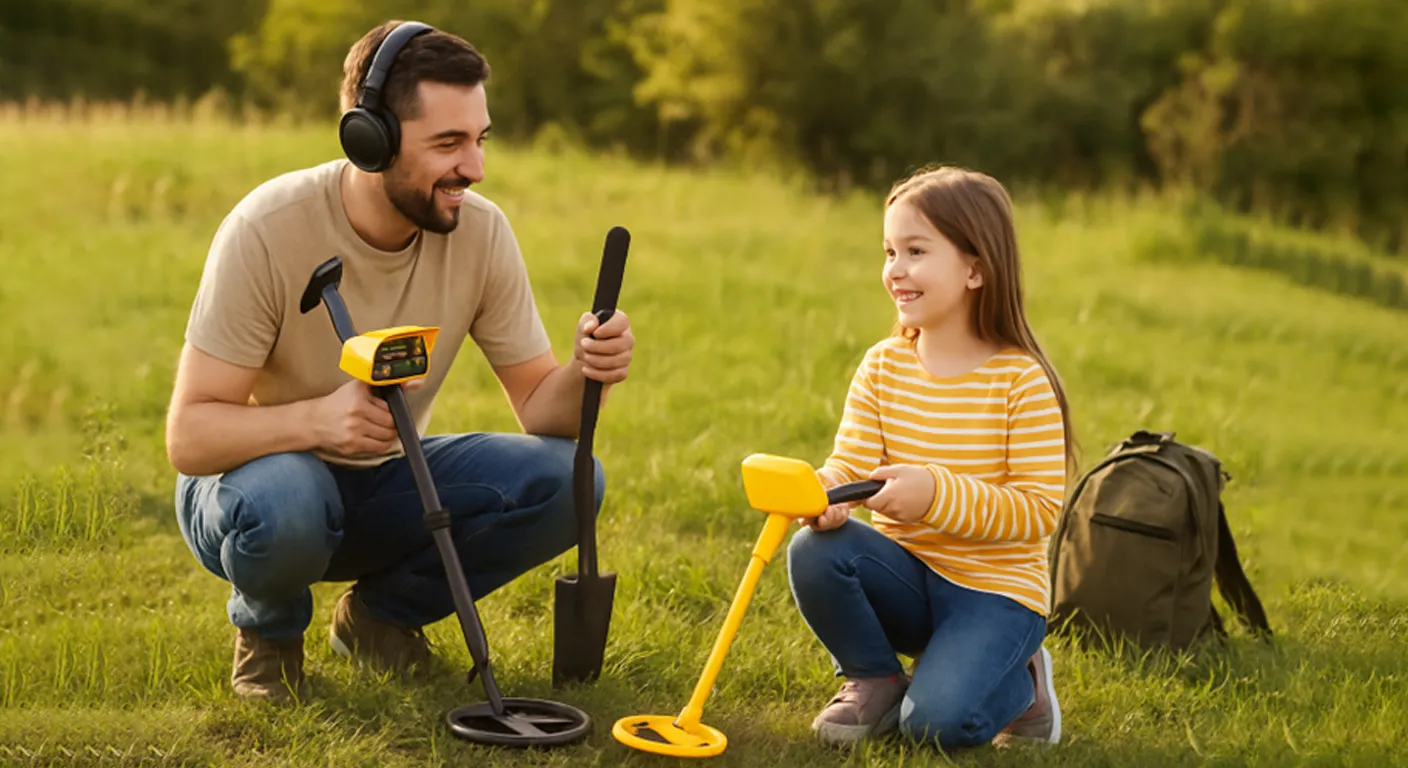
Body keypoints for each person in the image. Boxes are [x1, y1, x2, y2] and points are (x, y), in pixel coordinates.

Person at [163, 20, 635, 702]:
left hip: (384, 478)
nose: (472, 168)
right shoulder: (267, 227)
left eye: (480, 140)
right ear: (370, 138)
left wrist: (589, 369)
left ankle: (380, 620)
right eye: (448, 144)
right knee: (289, 498)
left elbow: (543, 413)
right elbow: (191, 437)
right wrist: (320, 422)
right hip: (250, 487)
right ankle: (268, 636)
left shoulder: (480, 229)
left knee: (572, 481)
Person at [785, 165, 1074, 750]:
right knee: (815, 551)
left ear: (975, 268)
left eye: (916, 251)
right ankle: (874, 677)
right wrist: (825, 490)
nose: (895, 270)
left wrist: (936, 495)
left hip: (996, 595)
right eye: (889, 251)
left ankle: (1024, 682)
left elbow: (1039, 510)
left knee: (934, 727)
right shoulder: (884, 366)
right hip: (910, 577)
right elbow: (853, 463)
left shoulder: (1020, 380)